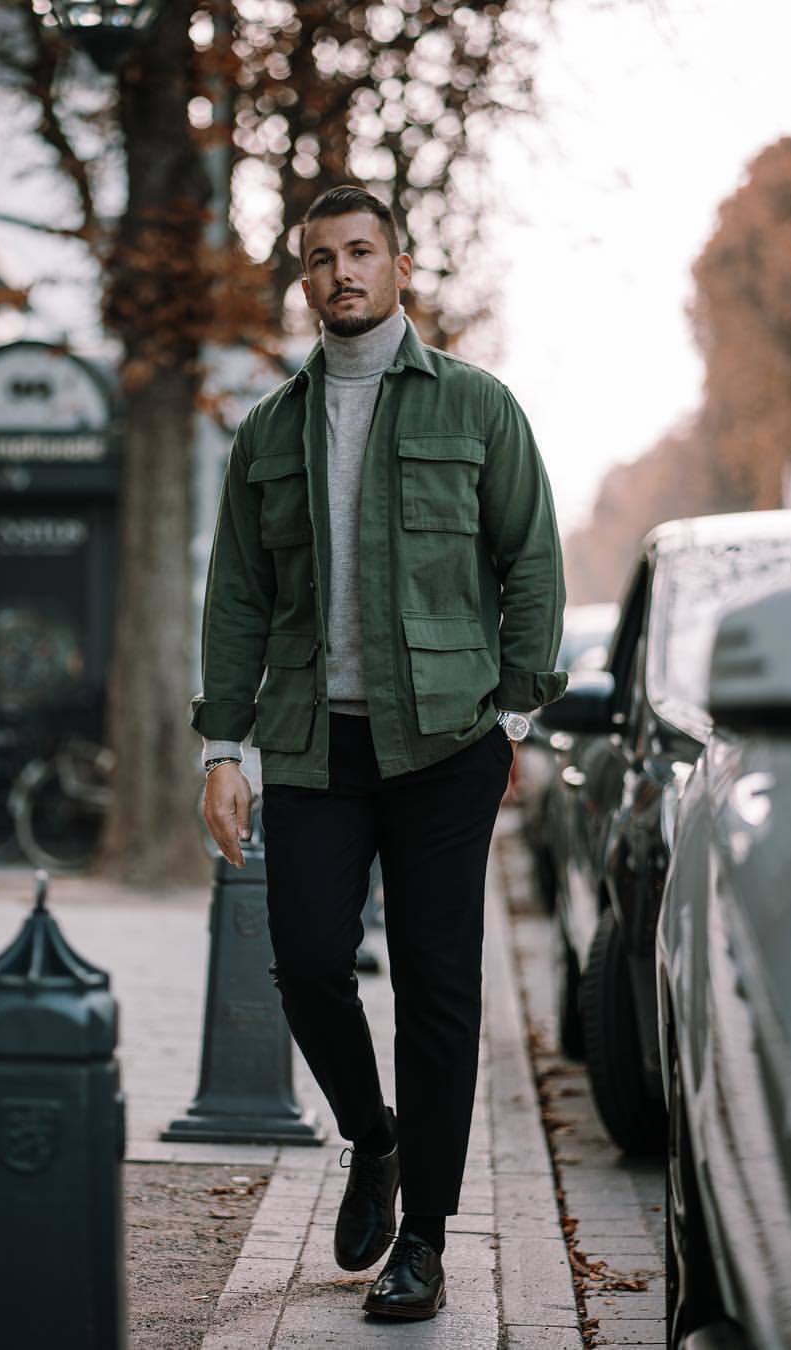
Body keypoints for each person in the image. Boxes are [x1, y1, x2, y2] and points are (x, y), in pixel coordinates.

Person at [191, 185, 566, 1322]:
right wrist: (222, 743)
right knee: (307, 957)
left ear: (400, 266)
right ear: (303, 278)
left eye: (360, 252)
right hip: (314, 741)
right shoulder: (267, 431)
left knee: (439, 988)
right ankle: (373, 1135)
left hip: (446, 742)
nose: (340, 272)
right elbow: (237, 598)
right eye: (320, 258)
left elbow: (533, 563)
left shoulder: (477, 408)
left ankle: (428, 1241)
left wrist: (511, 718)